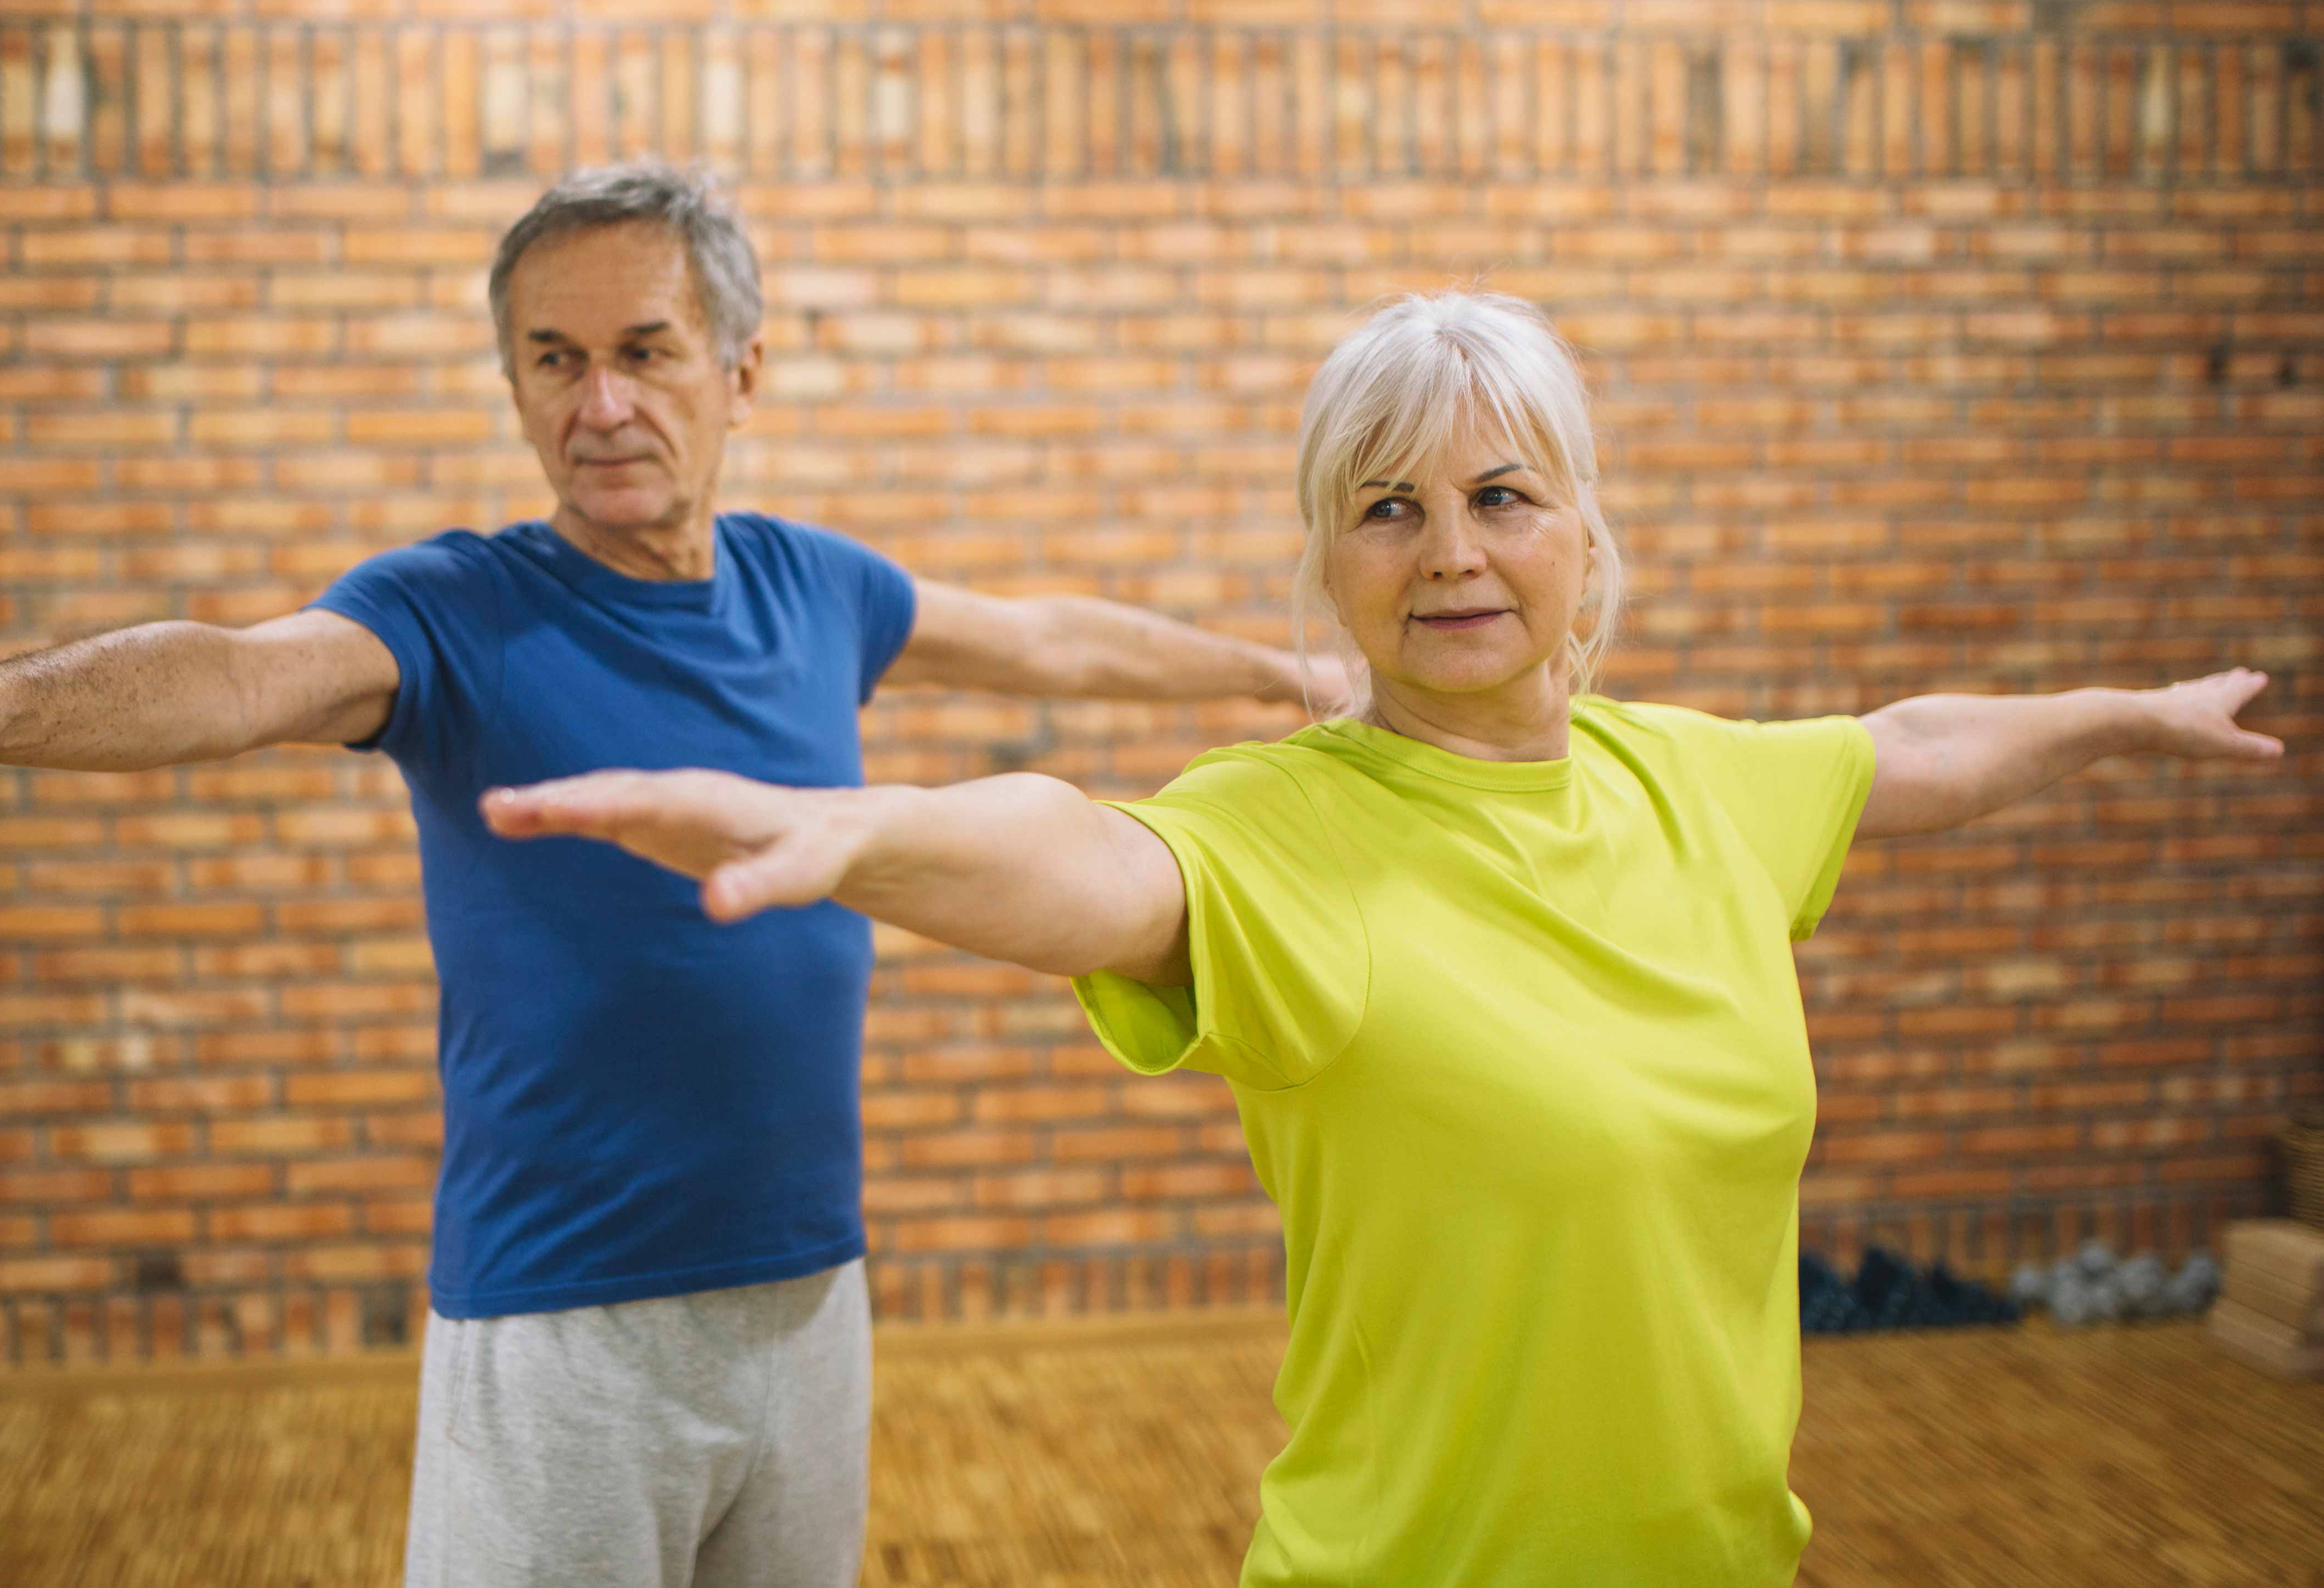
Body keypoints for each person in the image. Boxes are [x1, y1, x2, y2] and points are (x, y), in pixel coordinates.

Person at [480, 288, 2285, 1587]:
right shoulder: (1292, 830)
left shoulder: (1697, 785)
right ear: (1330, 569)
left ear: (1584, 536)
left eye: (1502, 497)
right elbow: (1085, 858)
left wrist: (2124, 714)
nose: (1452, 554)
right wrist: (868, 829)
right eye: (1387, 508)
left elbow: (1911, 748)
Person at [0, 163, 1341, 1588]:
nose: (598, 404)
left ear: (741, 371)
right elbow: (237, 672)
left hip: (806, 1292)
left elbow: (1046, 633)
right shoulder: (450, 609)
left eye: (643, 352)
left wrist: (1278, 678)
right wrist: (1, 706)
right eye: (552, 362)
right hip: (562, 1325)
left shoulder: (815, 586)